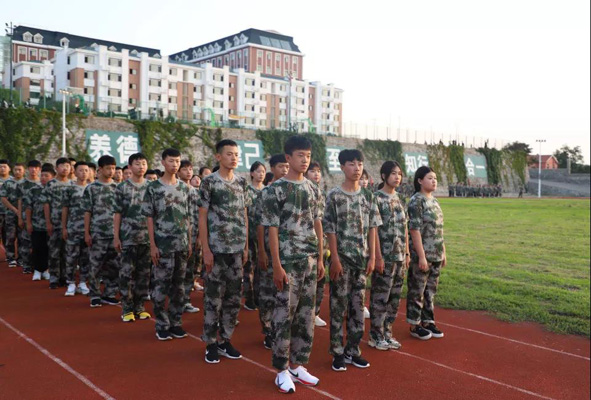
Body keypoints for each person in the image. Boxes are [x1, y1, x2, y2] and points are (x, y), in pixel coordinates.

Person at [260, 136, 324, 393]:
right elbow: (272, 229)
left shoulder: (313, 188)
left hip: (309, 260)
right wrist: (276, 265)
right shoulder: (274, 190)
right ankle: (281, 369)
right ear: (288, 158)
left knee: (306, 316)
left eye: (308, 155)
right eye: (300, 155)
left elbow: (317, 222)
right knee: (283, 316)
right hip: (287, 262)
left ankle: (298, 365)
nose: (305, 160)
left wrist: (321, 257)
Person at [324, 149, 381, 372]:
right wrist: (335, 258)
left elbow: (373, 227)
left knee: (358, 308)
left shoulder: (368, 196)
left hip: (361, 260)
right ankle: (337, 352)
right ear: (342, 167)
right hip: (342, 260)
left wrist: (373, 256)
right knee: (338, 307)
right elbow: (330, 229)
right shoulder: (334, 195)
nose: (356, 168)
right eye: (351, 164)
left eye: (359, 164)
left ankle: (353, 349)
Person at [199, 139, 248, 363]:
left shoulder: (241, 182)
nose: (234, 158)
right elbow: (202, 216)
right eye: (229, 154)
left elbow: (244, 214)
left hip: (236, 250)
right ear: (218, 157)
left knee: (233, 298)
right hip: (216, 249)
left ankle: (225, 339)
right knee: (213, 298)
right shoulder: (209, 182)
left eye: (236, 154)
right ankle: (210, 342)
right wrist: (206, 249)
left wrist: (245, 246)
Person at [142, 148, 193, 341]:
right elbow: (149, 217)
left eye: (177, 161)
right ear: (163, 162)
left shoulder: (185, 188)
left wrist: (189, 242)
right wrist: (152, 245)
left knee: (179, 287)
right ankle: (162, 325)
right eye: (171, 161)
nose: (175, 165)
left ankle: (176, 322)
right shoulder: (153, 188)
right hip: (162, 245)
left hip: (181, 244)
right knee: (161, 286)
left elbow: (187, 217)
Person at [369, 161, 409, 351]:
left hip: (400, 257)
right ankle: (375, 335)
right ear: (384, 176)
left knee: (394, 298)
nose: (397, 177)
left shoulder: (400, 199)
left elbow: (405, 227)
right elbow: (374, 230)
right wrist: (377, 257)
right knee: (380, 297)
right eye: (393, 173)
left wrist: (407, 253)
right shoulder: (376, 198)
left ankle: (387, 332)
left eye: (399, 174)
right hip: (384, 256)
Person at [406, 166, 446, 340]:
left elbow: (439, 229)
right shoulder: (416, 201)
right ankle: (414, 324)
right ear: (420, 181)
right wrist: (421, 256)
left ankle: (428, 321)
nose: (434, 181)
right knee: (418, 290)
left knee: (430, 290)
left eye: (435, 178)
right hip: (422, 255)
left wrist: (443, 252)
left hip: (435, 253)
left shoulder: (434, 201)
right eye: (430, 178)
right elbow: (414, 230)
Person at [256, 154, 289, 350]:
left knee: (285, 293)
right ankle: (267, 329)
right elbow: (261, 225)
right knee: (268, 291)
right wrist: (261, 250)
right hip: (270, 250)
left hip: (289, 251)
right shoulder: (267, 193)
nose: (284, 170)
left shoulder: (293, 190)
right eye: (280, 166)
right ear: (272, 169)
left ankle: (281, 329)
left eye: (287, 166)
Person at [114, 153, 151, 322]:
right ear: (129, 167)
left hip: (147, 238)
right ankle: (127, 308)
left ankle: (140, 306)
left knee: (144, 274)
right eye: (137, 164)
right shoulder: (122, 187)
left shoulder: (151, 187)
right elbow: (117, 213)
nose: (141, 167)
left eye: (143, 164)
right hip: (128, 237)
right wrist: (116, 236)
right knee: (126, 274)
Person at [83, 155, 120, 308]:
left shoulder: (118, 188)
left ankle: (110, 293)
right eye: (108, 168)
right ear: (100, 169)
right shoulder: (91, 188)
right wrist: (87, 233)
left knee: (114, 266)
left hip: (114, 234)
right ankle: (95, 295)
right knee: (95, 266)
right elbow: (87, 212)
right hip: (97, 233)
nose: (111, 171)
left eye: (113, 168)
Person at [41, 157, 71, 288]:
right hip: (55, 223)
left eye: (67, 166)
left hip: (70, 224)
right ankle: (54, 278)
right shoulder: (51, 184)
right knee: (54, 252)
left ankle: (65, 277)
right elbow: (46, 204)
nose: (65, 169)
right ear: (57, 168)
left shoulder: (72, 184)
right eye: (62, 166)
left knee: (67, 252)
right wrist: (48, 222)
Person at [62, 162, 90, 296]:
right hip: (73, 228)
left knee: (86, 257)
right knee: (71, 257)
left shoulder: (92, 188)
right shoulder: (69, 189)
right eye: (81, 170)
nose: (84, 173)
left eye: (86, 170)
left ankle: (83, 282)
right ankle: (71, 283)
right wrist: (64, 227)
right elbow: (65, 209)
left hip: (88, 229)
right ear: (75, 171)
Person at [305, 161, 328, 328]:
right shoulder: (303, 191)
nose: (316, 174)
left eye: (318, 171)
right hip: (305, 244)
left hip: (321, 243)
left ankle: (315, 312)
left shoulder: (321, 193)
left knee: (320, 279)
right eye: (312, 171)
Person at [177, 159, 200, 314]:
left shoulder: (196, 192)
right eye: (185, 169)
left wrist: (199, 237)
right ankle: (177, 301)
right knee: (179, 271)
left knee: (190, 270)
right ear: (179, 172)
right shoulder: (176, 189)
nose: (188, 172)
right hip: (178, 237)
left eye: (190, 169)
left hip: (194, 236)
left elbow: (199, 216)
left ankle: (185, 300)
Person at [25, 164, 54, 281]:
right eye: (42, 175)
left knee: (49, 248)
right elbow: (28, 208)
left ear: (52, 177)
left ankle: (46, 270)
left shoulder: (55, 189)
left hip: (53, 225)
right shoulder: (33, 190)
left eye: (46, 176)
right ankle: (37, 270)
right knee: (37, 247)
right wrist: (28, 223)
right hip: (37, 224)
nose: (43, 178)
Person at [244, 161, 266, 311]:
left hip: (264, 237)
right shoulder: (247, 190)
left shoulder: (267, 190)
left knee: (261, 268)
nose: (261, 174)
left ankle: (259, 296)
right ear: (252, 173)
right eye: (258, 171)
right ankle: (249, 297)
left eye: (263, 171)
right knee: (249, 268)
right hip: (250, 235)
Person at [17, 160, 42, 274]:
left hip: (40, 218)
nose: (34, 170)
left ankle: (37, 265)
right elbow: (20, 201)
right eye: (31, 167)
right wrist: (20, 217)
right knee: (25, 242)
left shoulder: (42, 183)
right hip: (26, 216)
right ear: (28, 169)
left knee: (38, 243)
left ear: (39, 169)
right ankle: (26, 265)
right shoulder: (22, 184)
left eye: (36, 168)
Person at [1, 162, 25, 267]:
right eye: (16, 170)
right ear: (13, 170)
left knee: (22, 237)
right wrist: (14, 210)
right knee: (10, 236)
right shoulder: (8, 183)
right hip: (10, 213)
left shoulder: (27, 183)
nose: (17, 172)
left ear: (24, 171)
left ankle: (21, 258)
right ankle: (10, 257)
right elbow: (3, 198)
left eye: (20, 170)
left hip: (24, 214)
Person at [0, 160, 11, 259]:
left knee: (7, 234)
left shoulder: (12, 181)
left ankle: (8, 253)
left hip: (9, 212)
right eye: (0, 167)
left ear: (9, 168)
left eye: (4, 167)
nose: (2, 169)